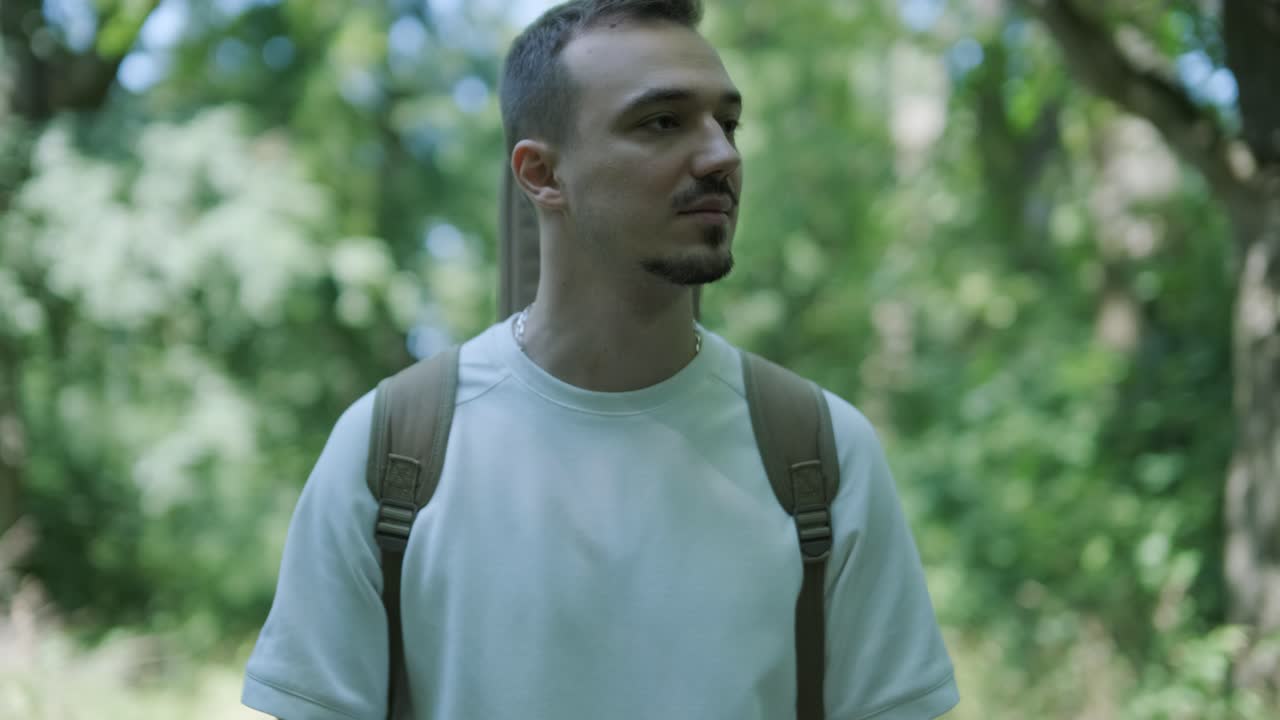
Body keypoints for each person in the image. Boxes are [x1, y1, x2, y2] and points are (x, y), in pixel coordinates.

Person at [241, 1, 959, 718]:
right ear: (540, 173)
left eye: (727, 123)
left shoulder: (819, 455)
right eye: (661, 122)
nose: (722, 157)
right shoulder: (393, 451)